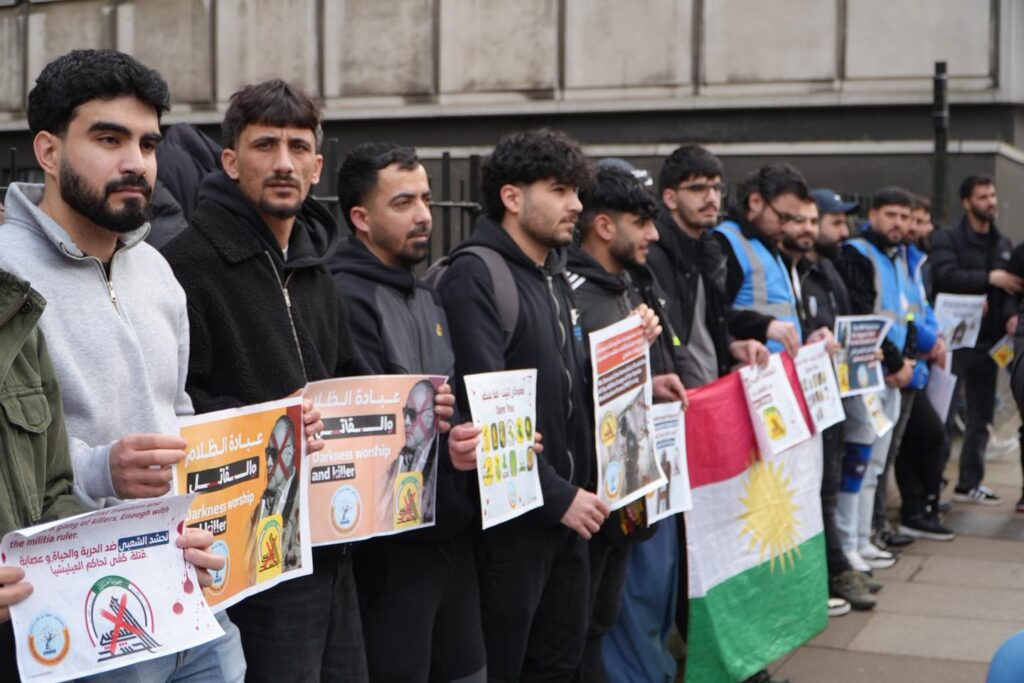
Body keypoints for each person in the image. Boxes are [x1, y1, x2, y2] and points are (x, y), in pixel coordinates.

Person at [163, 80, 435, 682]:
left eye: (298, 147)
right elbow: (175, 406)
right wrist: (270, 421)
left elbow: (348, 381)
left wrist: (413, 415)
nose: (283, 163)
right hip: (248, 555)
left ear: (317, 166)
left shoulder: (316, 271)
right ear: (230, 161)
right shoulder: (187, 265)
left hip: (334, 538)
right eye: (265, 145)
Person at [0, 48, 240, 681]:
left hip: (189, 591)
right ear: (49, 152)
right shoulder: (5, 275)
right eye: (109, 139)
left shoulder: (157, 269)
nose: (136, 161)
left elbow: (178, 414)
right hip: (77, 615)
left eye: (148, 143)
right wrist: (101, 468)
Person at [437, 129, 608, 681]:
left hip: (567, 512)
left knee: (560, 662)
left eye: (576, 191)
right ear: (512, 197)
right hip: (512, 527)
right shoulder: (475, 275)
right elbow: (484, 408)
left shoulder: (554, 274)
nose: (576, 205)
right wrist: (558, 495)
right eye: (559, 190)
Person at [328, 141, 486, 682]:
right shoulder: (342, 297)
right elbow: (360, 431)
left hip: (452, 536)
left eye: (425, 199)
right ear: (360, 218)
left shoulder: (428, 297)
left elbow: (448, 405)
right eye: (403, 203)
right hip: (388, 554)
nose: (423, 215)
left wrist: (465, 436)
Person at [566, 162, 687, 682]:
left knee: (600, 622)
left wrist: (649, 380)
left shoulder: (622, 286)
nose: (654, 235)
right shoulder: (571, 292)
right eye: (642, 222)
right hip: (584, 502)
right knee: (573, 637)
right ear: (604, 226)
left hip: (622, 493)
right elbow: (567, 390)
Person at [780, 193, 876, 612]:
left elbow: (841, 324)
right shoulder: (795, 271)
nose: (842, 232)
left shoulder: (825, 270)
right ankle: (831, 570)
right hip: (797, 396)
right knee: (815, 488)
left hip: (827, 391)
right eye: (831, 222)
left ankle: (838, 563)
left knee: (832, 482)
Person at [834, 187, 919, 576]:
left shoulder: (898, 258)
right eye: (891, 215)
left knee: (877, 463)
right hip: (868, 374)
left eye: (904, 216)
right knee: (858, 461)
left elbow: (907, 314)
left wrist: (908, 360)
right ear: (873, 216)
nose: (898, 223)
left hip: (893, 375)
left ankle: (862, 538)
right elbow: (863, 313)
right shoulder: (857, 253)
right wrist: (897, 363)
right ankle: (848, 543)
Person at [931, 175, 1019, 505]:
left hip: (990, 344)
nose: (991, 202)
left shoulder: (1002, 243)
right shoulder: (948, 238)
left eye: (993, 195)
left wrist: (1010, 316)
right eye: (983, 197)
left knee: (981, 417)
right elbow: (943, 276)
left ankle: (969, 482)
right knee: (943, 416)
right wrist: (987, 278)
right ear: (967, 202)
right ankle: (933, 485)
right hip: (954, 342)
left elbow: (1010, 290)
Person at [712, 163, 811, 358]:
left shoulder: (768, 244)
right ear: (755, 202)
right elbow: (714, 316)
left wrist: (809, 337)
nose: (787, 227)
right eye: (782, 217)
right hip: (751, 365)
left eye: (793, 219)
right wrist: (764, 326)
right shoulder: (727, 243)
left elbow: (785, 311)